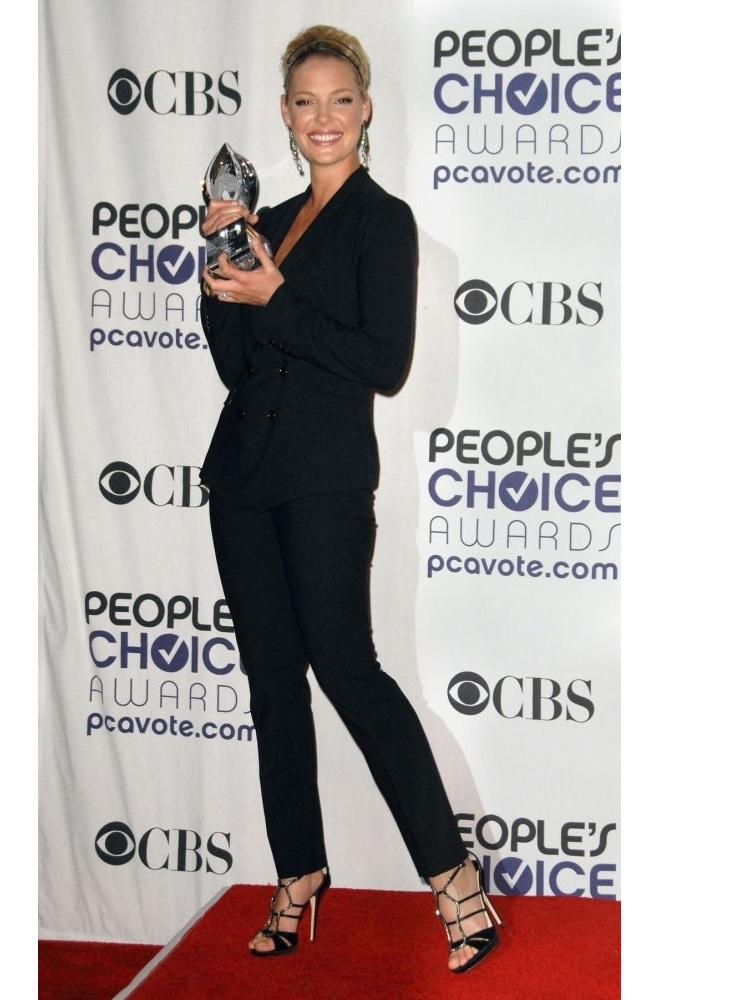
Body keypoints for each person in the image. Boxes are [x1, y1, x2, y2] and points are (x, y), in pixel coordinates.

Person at [198, 24, 502, 974]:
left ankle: (452, 878)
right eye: (304, 101)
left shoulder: (383, 221)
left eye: (339, 99)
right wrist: (219, 277)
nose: (322, 117)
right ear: (285, 117)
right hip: (242, 479)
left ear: (365, 109)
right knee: (270, 687)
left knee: (348, 668)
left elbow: (386, 364)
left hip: (328, 479)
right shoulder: (269, 217)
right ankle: (298, 875)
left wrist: (278, 292)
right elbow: (237, 367)